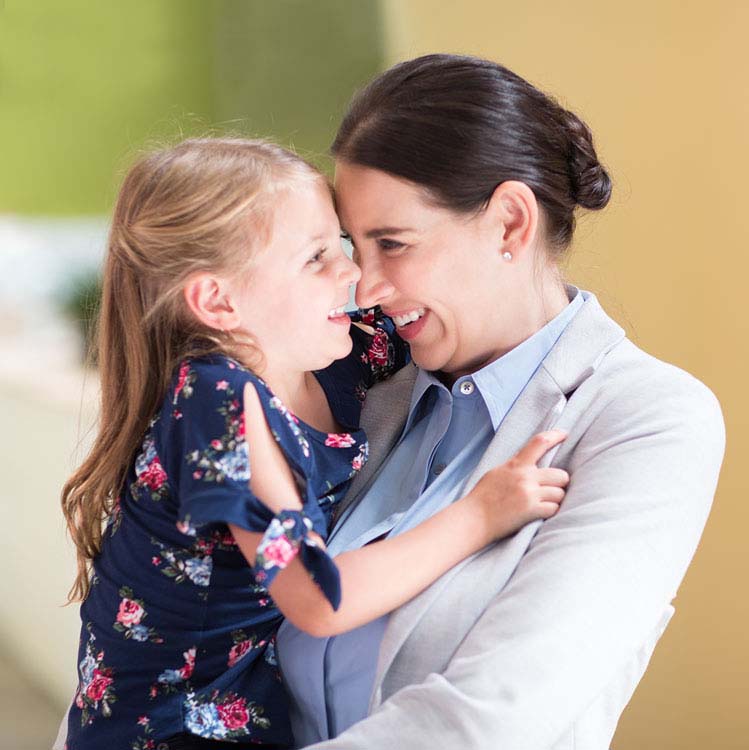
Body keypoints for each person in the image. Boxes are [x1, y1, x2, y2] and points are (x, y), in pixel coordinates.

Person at [58, 137, 570, 750]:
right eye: (316, 258)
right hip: (162, 733)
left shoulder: (338, 356)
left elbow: (468, 310)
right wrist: (481, 514)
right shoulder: (216, 403)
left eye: (345, 246)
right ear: (218, 301)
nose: (354, 272)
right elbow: (315, 596)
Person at [275, 54, 726, 749]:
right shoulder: (364, 393)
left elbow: (491, 722)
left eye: (391, 244)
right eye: (351, 248)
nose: (363, 289)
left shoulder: (647, 421)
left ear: (511, 223)